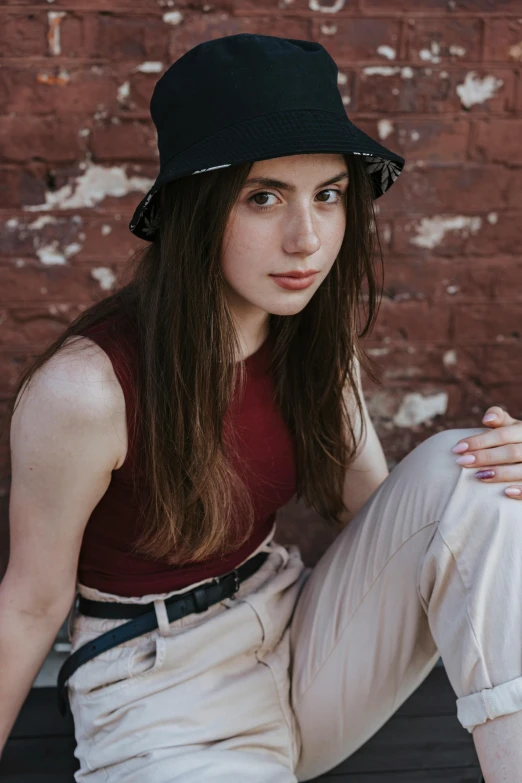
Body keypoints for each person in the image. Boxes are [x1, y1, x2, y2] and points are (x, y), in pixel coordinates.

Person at [1, 33, 522, 783]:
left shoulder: (310, 341)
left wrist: (498, 479)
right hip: (160, 689)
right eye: (264, 196)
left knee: (471, 467)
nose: (307, 238)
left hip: (300, 641)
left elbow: (388, 521)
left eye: (329, 195)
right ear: (196, 209)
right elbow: (28, 603)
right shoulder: (87, 391)